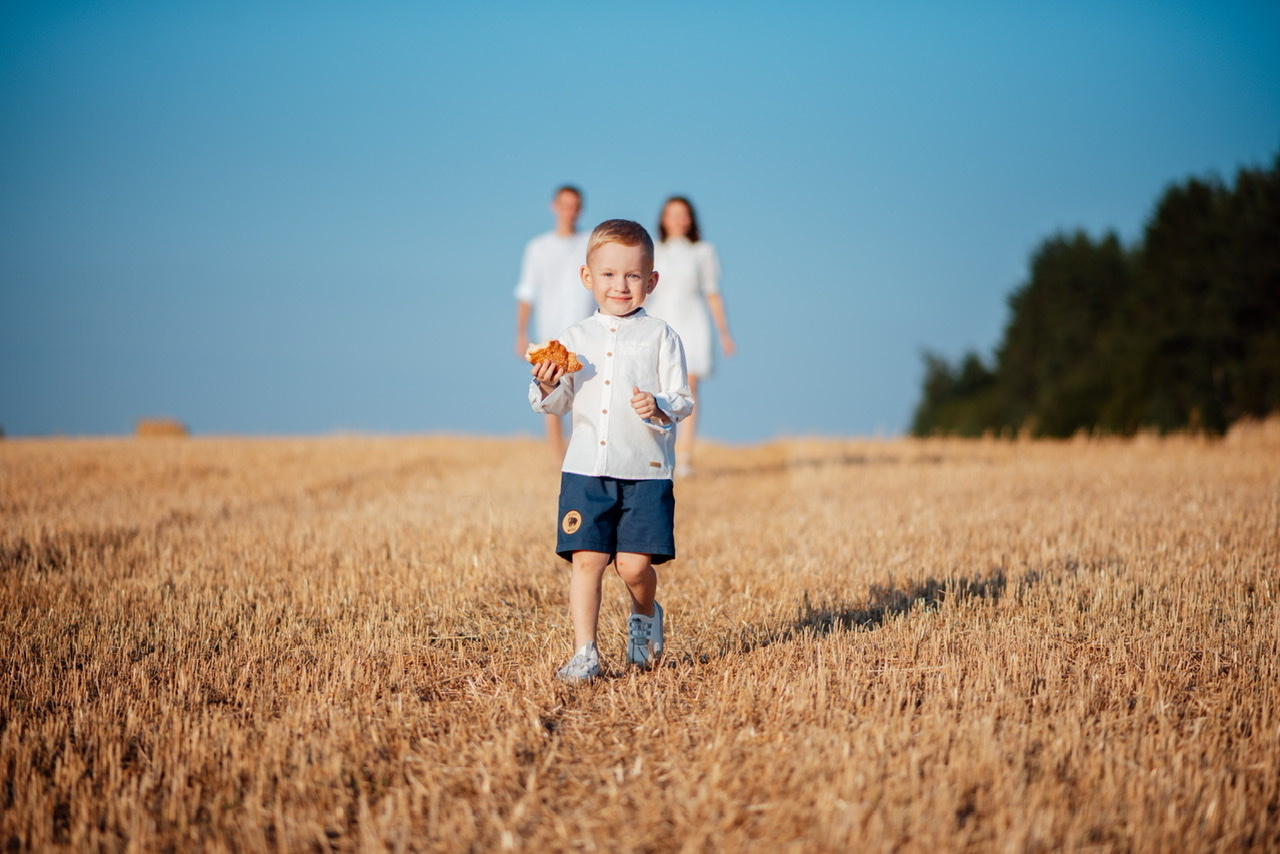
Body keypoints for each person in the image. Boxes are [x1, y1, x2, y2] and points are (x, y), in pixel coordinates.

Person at [528, 219, 694, 683]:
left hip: (646, 470)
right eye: (608, 275)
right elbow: (557, 404)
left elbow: (683, 399)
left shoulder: (662, 336)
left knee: (634, 566)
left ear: (651, 281)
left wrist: (657, 404)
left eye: (633, 276)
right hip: (585, 469)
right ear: (587, 278)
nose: (620, 285)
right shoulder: (574, 339)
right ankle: (585, 652)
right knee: (588, 559)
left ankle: (644, 613)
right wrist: (546, 383)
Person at [647, 196, 735, 476]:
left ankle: (685, 456)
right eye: (671, 214)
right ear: (663, 218)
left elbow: (712, 292)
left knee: (689, 386)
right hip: (661, 319)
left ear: (690, 219)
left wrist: (724, 333)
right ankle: (661, 450)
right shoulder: (653, 249)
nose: (677, 220)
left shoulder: (703, 251)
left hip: (694, 322)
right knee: (658, 384)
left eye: (682, 214)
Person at [514, 185, 596, 459]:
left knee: (586, 387)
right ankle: (556, 456)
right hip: (551, 330)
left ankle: (580, 451)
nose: (568, 211)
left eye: (574, 205)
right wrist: (521, 333)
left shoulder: (590, 243)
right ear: (554, 206)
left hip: (588, 327)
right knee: (549, 384)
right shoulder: (538, 247)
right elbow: (527, 292)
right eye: (564, 204)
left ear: (580, 209)